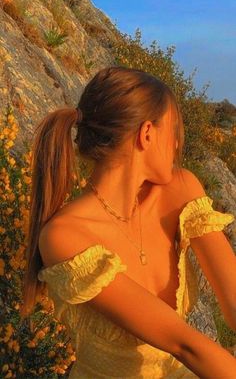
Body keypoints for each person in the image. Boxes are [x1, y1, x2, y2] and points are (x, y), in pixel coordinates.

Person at [20, 66, 236, 378]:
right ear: (147, 134)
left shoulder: (180, 189)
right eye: (174, 132)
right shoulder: (65, 236)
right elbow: (184, 343)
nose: (177, 146)